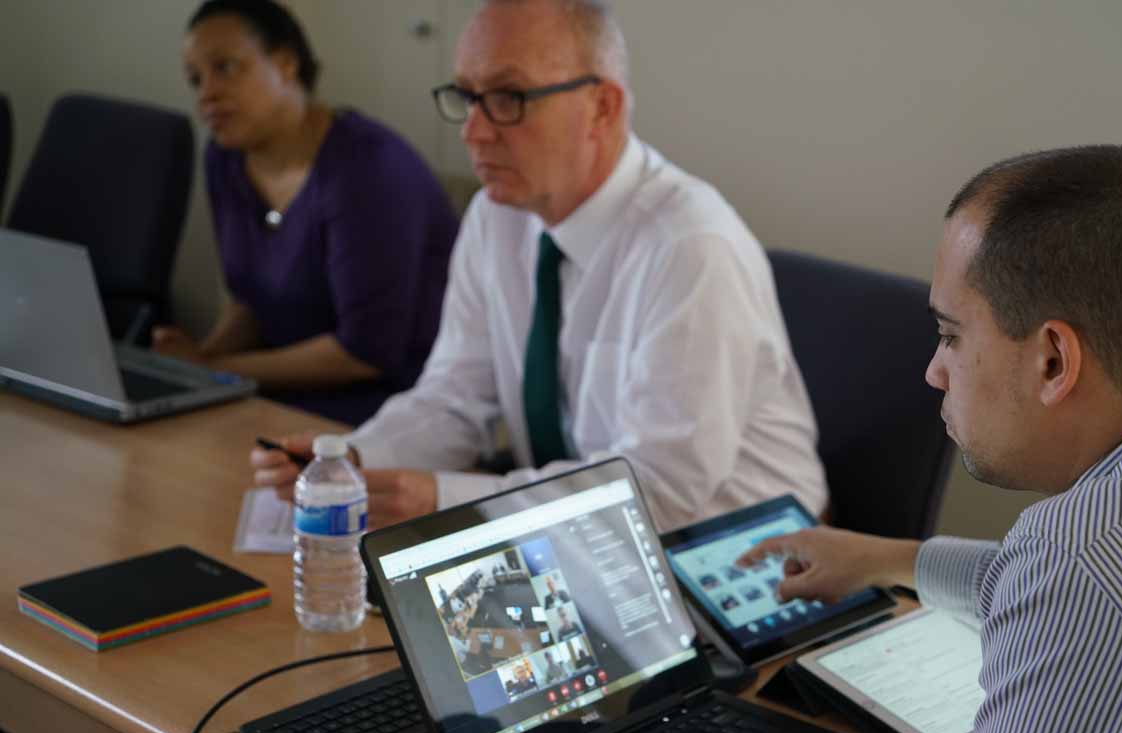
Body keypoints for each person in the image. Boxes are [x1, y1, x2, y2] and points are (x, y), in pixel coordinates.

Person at [249, 0, 827, 532]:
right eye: (467, 97)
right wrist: (354, 459)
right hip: (587, 537)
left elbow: (660, 488)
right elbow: (455, 396)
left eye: (507, 99)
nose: (474, 131)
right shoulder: (497, 216)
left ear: (603, 106)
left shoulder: (690, 245)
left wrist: (440, 500)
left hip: (746, 557)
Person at [739, 145, 1122, 733]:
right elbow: (1052, 584)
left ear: (1052, 362)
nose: (933, 370)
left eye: (951, 335)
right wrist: (886, 559)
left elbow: (1073, 581)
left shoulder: (1077, 563)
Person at [156, 0, 458, 425]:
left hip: (385, 411)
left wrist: (215, 371)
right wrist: (196, 364)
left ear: (285, 63)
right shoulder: (225, 159)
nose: (207, 93)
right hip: (277, 395)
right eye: (195, 79)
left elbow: (364, 355)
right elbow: (250, 301)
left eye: (225, 68)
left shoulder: (367, 167)